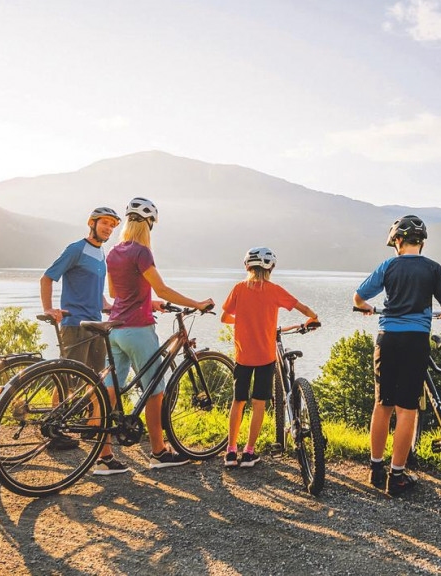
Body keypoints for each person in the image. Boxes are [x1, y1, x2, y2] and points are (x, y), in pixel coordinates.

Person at [94, 196, 215, 474]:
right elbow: (162, 289)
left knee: (111, 390)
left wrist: (147, 301)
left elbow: (116, 294)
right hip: (138, 329)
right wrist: (196, 304)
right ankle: (159, 452)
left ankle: (104, 457)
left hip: (116, 328)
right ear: (148, 225)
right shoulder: (141, 252)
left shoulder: (114, 252)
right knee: (154, 391)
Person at [353, 214, 441, 495]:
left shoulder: (388, 266)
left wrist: (367, 307)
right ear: (421, 243)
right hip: (415, 342)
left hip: (387, 340)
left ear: (397, 242)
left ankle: (375, 469)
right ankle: (397, 476)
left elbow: (358, 298)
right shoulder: (433, 269)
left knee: (382, 405)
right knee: (407, 409)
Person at [220, 247, 318, 469]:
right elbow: (301, 307)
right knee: (258, 404)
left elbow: (225, 317)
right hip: (265, 357)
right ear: (271, 268)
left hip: (242, 356)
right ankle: (249, 453)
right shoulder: (275, 290)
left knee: (238, 401)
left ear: (247, 267)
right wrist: (314, 317)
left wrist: (244, 320)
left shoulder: (238, 289)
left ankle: (230, 451)